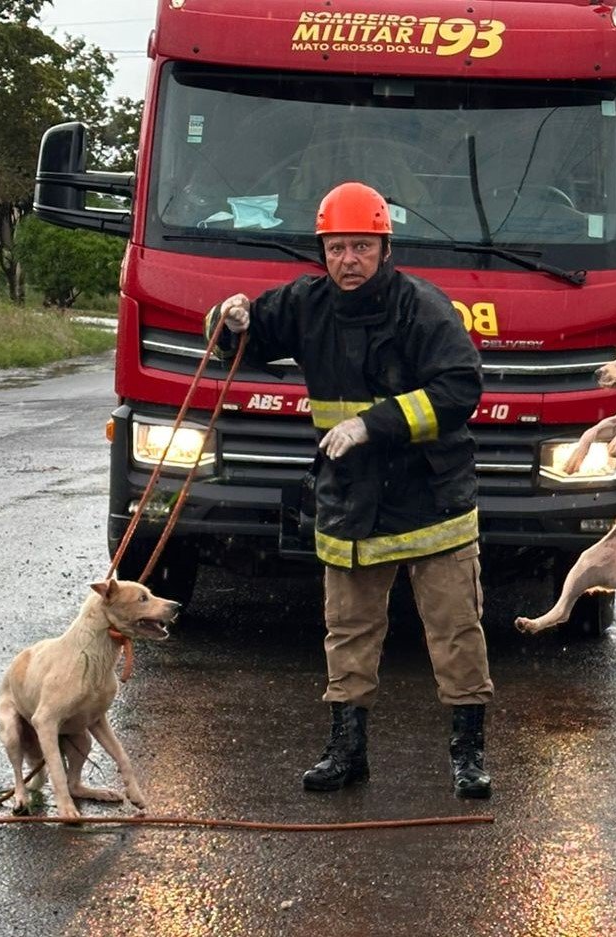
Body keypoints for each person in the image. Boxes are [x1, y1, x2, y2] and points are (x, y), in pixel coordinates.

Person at [210, 181, 495, 799]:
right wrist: (230, 322)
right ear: (323, 251)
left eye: (361, 246)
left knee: (454, 630)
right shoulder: (306, 303)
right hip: (351, 499)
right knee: (348, 630)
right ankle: (347, 751)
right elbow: (247, 339)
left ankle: (468, 755)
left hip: (430, 497)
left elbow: (460, 388)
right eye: (336, 247)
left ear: (385, 248)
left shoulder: (423, 308)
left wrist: (373, 424)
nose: (348, 260)